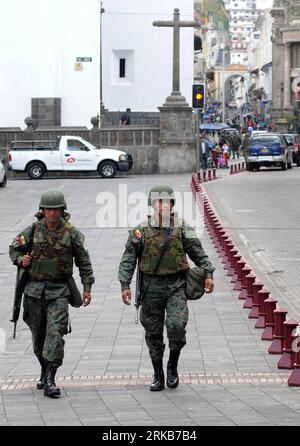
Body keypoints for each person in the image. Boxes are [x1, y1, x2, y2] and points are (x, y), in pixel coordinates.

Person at [118, 185, 215, 391]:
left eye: (167, 202)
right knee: (153, 333)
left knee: (177, 326)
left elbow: (198, 252)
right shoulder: (140, 231)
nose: (163, 206)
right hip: (150, 287)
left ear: (172, 204)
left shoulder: (182, 228)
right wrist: (124, 284)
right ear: (152, 205)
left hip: (176, 286)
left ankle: (172, 365)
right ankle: (158, 373)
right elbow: (128, 259)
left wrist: (208, 273)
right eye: (159, 202)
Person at [9, 190, 95, 398]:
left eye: (56, 209)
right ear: (43, 210)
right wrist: (22, 260)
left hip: (59, 292)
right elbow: (14, 249)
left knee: (55, 334)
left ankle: (50, 378)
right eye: (49, 209)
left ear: (62, 210)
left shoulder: (72, 233)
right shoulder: (32, 230)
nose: (53, 213)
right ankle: (43, 368)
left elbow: (84, 262)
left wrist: (87, 287)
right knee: (38, 337)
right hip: (33, 292)